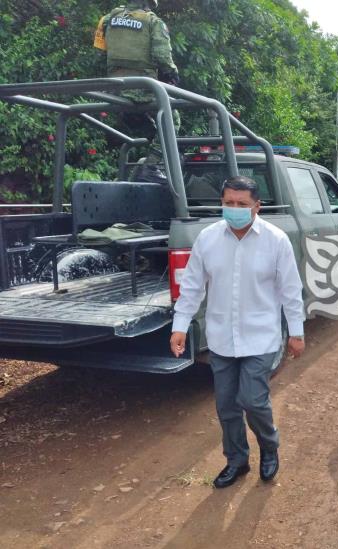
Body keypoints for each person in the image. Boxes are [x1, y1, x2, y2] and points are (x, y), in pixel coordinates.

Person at [170, 176, 305, 488]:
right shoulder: (207, 239)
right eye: (228, 203)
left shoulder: (276, 240)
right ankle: (236, 460)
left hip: (261, 336)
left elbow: (290, 290)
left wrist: (296, 333)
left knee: (253, 400)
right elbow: (191, 288)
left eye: (241, 204)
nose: (234, 209)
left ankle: (269, 446)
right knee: (227, 405)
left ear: (256, 206)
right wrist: (179, 327)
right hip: (221, 338)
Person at [94, 0, 180, 140]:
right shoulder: (153, 22)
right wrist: (172, 74)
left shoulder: (108, 19)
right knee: (172, 115)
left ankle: (146, 134)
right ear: (148, 3)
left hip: (114, 87)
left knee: (141, 117)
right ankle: (157, 157)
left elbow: (101, 51)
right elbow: (162, 56)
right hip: (143, 88)